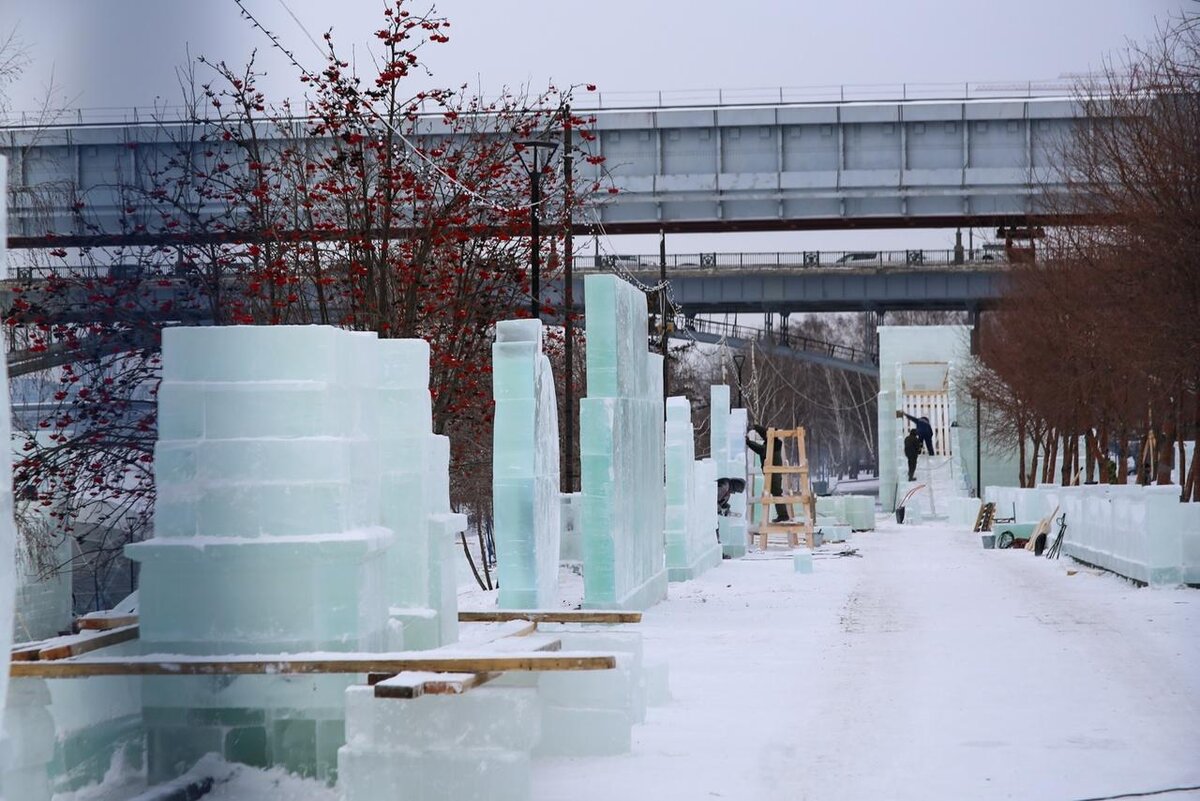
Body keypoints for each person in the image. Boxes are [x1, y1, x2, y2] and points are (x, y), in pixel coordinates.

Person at [746, 424, 789, 522]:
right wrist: (755, 427)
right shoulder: (773, 443)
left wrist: (749, 442)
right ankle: (783, 514)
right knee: (776, 492)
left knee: (777, 492)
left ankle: (783, 515)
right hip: (773, 473)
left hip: (774, 474)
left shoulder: (773, 445)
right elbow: (764, 433)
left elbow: (760, 449)